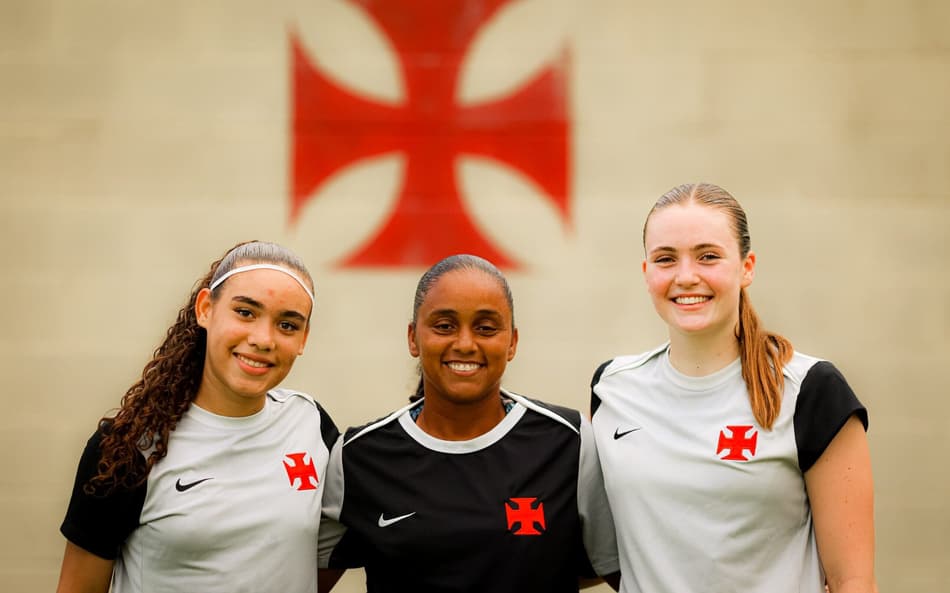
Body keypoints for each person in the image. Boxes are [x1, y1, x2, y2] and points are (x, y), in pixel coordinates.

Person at [589, 182, 877, 593]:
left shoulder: (810, 390)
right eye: (666, 259)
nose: (686, 277)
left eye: (708, 257)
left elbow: (853, 580)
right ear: (646, 273)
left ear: (747, 267)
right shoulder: (613, 388)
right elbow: (616, 556)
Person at [317, 254, 620, 592]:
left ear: (512, 342)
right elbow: (297, 579)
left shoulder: (569, 443)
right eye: (444, 326)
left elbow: (628, 570)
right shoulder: (358, 457)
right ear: (413, 338)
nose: (464, 343)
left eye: (486, 328)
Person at [56, 240, 339, 593]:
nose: (263, 339)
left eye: (287, 325)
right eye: (246, 313)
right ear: (205, 309)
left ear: (303, 339)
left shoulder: (312, 425)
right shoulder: (131, 447)